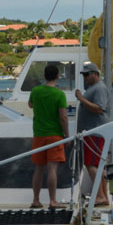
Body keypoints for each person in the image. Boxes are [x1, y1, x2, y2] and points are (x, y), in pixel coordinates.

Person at [29, 62, 69, 208]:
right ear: (57, 76)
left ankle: (36, 200)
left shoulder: (35, 91)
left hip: (39, 134)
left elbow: (30, 105)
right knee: (52, 169)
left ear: (44, 76)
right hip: (55, 135)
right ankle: (52, 201)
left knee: (38, 168)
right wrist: (67, 135)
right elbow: (63, 117)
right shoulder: (59, 94)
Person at [74, 60, 110, 204]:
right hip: (92, 132)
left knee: (91, 164)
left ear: (95, 74)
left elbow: (99, 108)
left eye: (87, 74)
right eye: (83, 75)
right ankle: (104, 196)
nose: (85, 78)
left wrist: (81, 99)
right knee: (96, 165)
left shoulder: (99, 88)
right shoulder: (94, 88)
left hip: (95, 132)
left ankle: (100, 196)